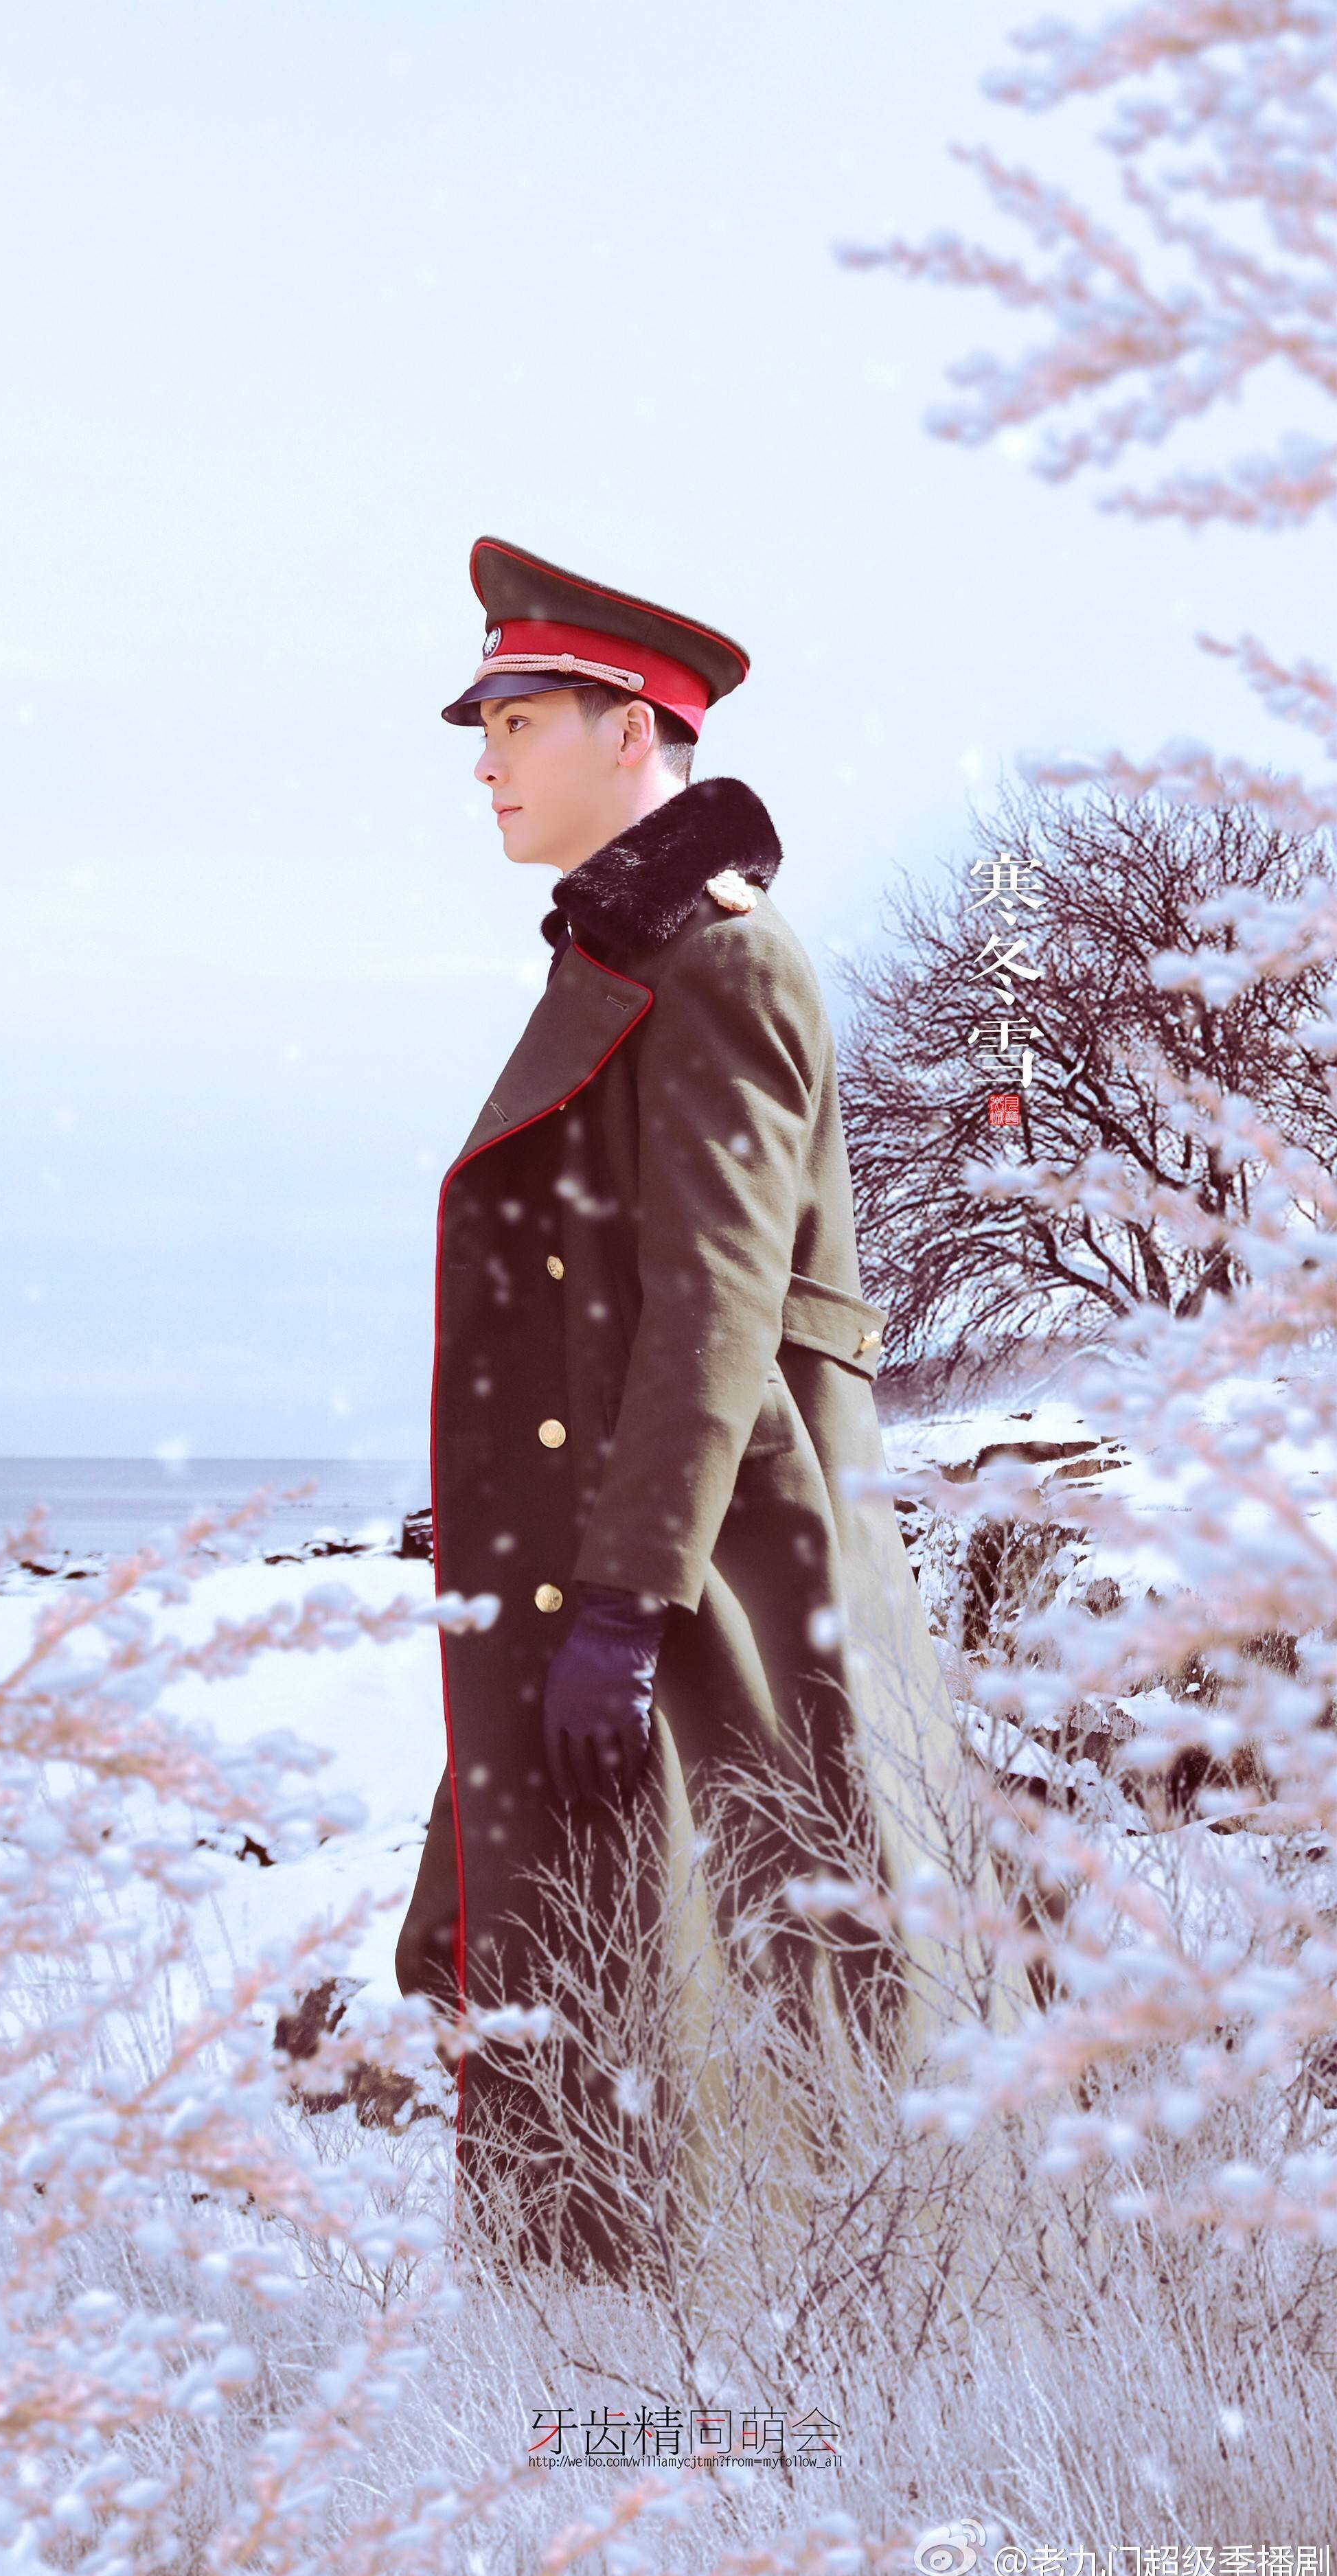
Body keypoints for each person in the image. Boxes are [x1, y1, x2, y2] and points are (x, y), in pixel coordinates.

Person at [396, 536, 1016, 2283]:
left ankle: (747, 2360)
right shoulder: (631, 957)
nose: (485, 761)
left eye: (517, 720)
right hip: (646, 1550)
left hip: (719, 1570)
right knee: (628, 1966)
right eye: (484, 726)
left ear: (629, 729)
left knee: (741, 1976)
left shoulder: (721, 963)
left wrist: (624, 1600)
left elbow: (718, 1309)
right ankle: (599, 2354)